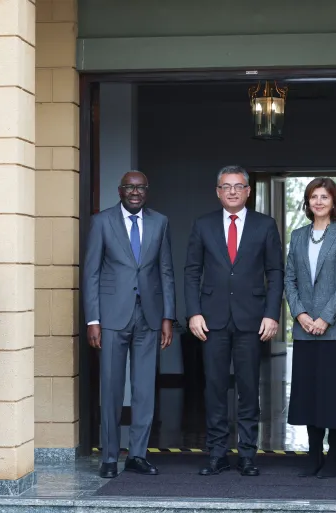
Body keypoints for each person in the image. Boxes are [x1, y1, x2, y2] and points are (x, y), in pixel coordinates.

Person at [184, 165, 284, 477]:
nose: (232, 191)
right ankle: (216, 453)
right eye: (226, 186)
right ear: (217, 191)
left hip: (252, 320)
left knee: (248, 387)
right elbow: (191, 271)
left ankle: (247, 454)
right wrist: (193, 312)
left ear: (248, 191)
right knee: (214, 387)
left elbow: (275, 272)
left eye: (238, 186)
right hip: (210, 320)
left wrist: (271, 314)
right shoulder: (203, 225)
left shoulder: (265, 225)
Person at [82, 171, 176, 479]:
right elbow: (91, 273)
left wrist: (167, 317)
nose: (135, 192)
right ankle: (108, 457)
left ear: (147, 191)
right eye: (129, 187)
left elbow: (166, 271)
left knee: (144, 390)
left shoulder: (160, 222)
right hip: (111, 317)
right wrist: (92, 319)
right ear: (120, 190)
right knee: (110, 387)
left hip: (148, 316)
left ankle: (137, 454)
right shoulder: (101, 221)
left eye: (140, 188)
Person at [283, 177, 336, 479]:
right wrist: (300, 314)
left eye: (324, 196)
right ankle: (313, 456)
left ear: (334, 202)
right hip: (304, 329)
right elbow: (289, 278)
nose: (318, 201)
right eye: (313, 196)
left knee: (334, 393)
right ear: (307, 202)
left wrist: (325, 317)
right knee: (308, 393)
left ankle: (334, 458)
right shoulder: (298, 236)